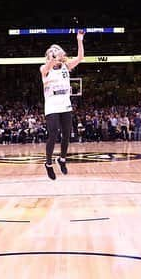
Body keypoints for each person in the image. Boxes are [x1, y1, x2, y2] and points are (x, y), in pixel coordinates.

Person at [41, 31, 85, 180]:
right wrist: (53, 56)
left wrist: (79, 40)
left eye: (57, 54)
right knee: (53, 133)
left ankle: (62, 159)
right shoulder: (44, 69)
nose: (55, 56)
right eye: (52, 54)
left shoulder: (66, 66)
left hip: (65, 104)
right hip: (52, 106)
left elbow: (80, 58)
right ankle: (48, 163)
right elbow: (48, 66)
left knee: (67, 134)